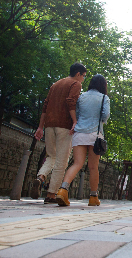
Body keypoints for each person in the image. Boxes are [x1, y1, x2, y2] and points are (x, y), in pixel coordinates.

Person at [32, 63, 87, 203]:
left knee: (51, 156)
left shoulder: (55, 84)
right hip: (64, 126)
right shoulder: (75, 84)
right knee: (62, 161)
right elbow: (71, 102)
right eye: (84, 76)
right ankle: (51, 194)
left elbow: (45, 105)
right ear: (78, 74)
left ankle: (41, 177)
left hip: (49, 125)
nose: (83, 80)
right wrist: (75, 121)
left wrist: (40, 127)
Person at [55, 74, 110, 206]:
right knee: (93, 167)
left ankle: (62, 190)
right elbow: (105, 115)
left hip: (79, 133)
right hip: (95, 135)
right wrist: (102, 121)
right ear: (103, 85)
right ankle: (93, 197)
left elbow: (77, 113)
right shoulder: (104, 98)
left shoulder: (82, 96)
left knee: (77, 164)